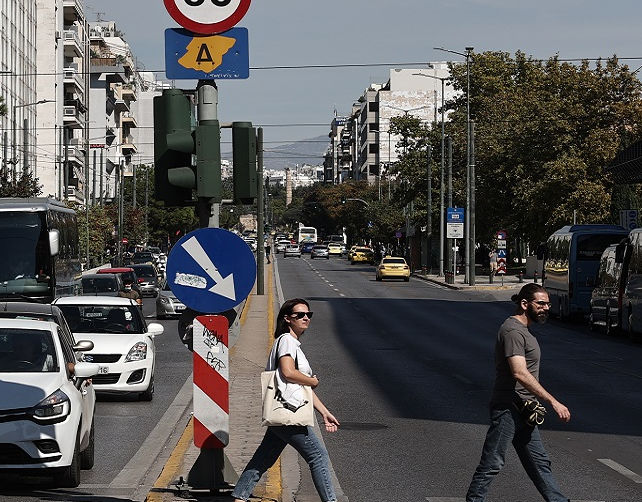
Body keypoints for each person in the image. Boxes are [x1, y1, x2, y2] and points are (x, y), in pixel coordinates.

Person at [465, 283, 571, 502]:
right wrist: (553, 401)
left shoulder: (523, 330)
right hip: (509, 408)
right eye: (541, 303)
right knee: (492, 462)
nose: (546, 308)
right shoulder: (512, 330)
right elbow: (519, 373)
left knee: (540, 463)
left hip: (525, 410)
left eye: (548, 304)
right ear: (524, 304)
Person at [232, 298, 339, 502]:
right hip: (289, 410)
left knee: (263, 458)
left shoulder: (290, 342)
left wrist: (324, 412)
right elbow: (288, 372)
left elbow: (300, 387)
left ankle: (239, 497)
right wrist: (312, 381)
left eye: (308, 314)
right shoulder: (287, 341)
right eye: (300, 315)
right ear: (287, 319)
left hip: (283, 408)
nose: (306, 317)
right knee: (318, 457)